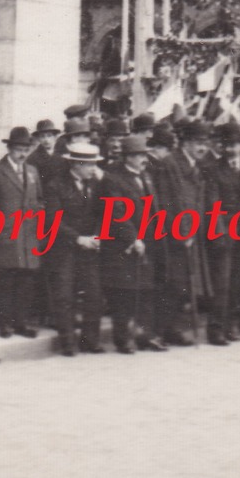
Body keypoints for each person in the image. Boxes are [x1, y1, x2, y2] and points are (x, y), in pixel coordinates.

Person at [0, 127, 47, 338]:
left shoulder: (33, 171)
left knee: (26, 281)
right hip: (7, 236)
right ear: (9, 148)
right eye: (18, 149)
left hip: (28, 237)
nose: (22, 154)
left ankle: (21, 322)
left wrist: (38, 220)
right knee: (7, 281)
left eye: (26, 149)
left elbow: (40, 201)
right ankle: (5, 323)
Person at [150, 122, 214, 347]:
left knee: (184, 284)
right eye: (198, 143)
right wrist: (180, 233)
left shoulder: (194, 165)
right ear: (186, 142)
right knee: (171, 284)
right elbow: (166, 202)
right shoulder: (171, 164)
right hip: (172, 235)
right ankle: (157, 332)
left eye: (205, 143)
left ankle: (171, 329)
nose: (203, 148)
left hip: (189, 233)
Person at [99, 135, 161, 354]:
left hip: (147, 243)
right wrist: (133, 238)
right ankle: (123, 338)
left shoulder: (146, 177)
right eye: (137, 155)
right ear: (126, 157)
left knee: (145, 293)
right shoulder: (113, 179)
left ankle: (145, 335)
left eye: (143, 154)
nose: (142, 159)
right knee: (123, 294)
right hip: (122, 246)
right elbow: (116, 213)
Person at [44, 141, 106, 356]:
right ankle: (68, 343)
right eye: (90, 165)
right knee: (65, 296)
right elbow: (53, 220)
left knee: (94, 295)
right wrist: (78, 238)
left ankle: (91, 340)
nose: (93, 169)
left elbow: (101, 213)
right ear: (77, 164)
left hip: (90, 247)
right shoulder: (56, 186)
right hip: (65, 250)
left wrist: (97, 235)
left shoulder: (94, 185)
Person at [203, 124, 240, 344]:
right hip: (223, 231)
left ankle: (232, 324)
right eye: (228, 145)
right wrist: (218, 234)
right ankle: (216, 329)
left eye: (235, 145)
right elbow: (212, 203)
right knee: (222, 282)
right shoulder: (213, 169)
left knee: (238, 279)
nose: (232, 149)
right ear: (222, 146)